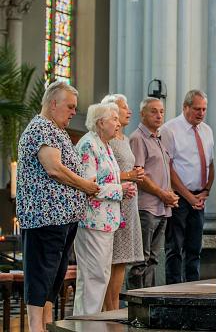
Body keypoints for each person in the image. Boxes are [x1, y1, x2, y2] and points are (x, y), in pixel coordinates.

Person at [16, 81, 99, 332]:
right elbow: (53, 169)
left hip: (62, 218)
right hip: (45, 217)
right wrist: (85, 185)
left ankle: (46, 324)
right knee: (41, 273)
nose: (74, 112)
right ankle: (35, 328)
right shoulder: (42, 128)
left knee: (55, 274)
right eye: (70, 106)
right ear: (53, 104)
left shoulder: (58, 130)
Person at [73, 103, 137, 316]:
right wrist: (120, 189)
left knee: (98, 275)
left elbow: (106, 178)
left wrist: (122, 188)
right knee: (94, 276)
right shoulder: (88, 145)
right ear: (101, 122)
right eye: (114, 119)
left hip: (105, 221)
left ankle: (86, 322)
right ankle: (86, 324)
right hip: (92, 221)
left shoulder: (105, 145)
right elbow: (88, 184)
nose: (119, 124)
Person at [161, 90, 215, 284]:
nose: (201, 113)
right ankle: (173, 291)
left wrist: (206, 191)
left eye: (204, 109)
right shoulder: (170, 130)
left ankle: (193, 288)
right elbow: (168, 169)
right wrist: (189, 197)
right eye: (197, 109)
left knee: (194, 247)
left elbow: (210, 163)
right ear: (185, 107)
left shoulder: (207, 130)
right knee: (174, 248)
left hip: (199, 197)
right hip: (178, 198)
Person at [127, 97, 179, 289]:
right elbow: (139, 175)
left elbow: (161, 172)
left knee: (154, 260)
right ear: (142, 114)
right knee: (141, 260)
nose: (159, 115)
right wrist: (161, 193)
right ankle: (135, 306)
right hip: (146, 208)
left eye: (161, 111)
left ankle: (149, 303)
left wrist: (170, 193)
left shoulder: (159, 138)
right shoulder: (138, 138)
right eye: (153, 111)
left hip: (162, 208)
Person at [100, 94, 145, 310]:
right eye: (124, 108)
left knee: (121, 261)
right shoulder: (106, 141)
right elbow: (105, 174)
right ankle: (110, 309)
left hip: (129, 203)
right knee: (113, 260)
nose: (129, 111)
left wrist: (135, 173)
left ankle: (114, 307)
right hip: (115, 204)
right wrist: (128, 176)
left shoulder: (124, 140)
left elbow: (124, 170)